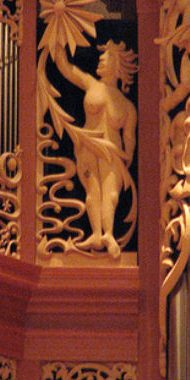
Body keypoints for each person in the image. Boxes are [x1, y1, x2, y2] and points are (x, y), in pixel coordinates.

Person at [54, 40, 138, 259]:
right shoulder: (91, 84)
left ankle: (108, 234)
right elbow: (65, 68)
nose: (100, 61)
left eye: (105, 59)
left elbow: (129, 136)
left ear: (117, 65)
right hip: (89, 145)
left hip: (113, 151)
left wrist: (128, 157)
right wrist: (57, 33)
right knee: (93, 192)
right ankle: (96, 233)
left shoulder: (128, 106)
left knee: (111, 195)